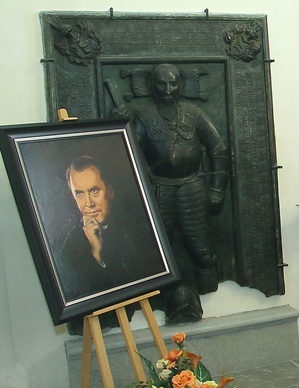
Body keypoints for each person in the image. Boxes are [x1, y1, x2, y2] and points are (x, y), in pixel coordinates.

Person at [129, 63, 229, 323]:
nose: (168, 89)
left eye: (173, 83)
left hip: (191, 187)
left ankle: (208, 294)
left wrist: (217, 188)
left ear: (180, 85)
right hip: (160, 188)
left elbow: (217, 147)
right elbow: (130, 153)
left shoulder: (193, 113)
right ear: (153, 85)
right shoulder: (144, 115)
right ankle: (162, 299)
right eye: (162, 84)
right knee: (158, 253)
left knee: (203, 253)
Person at [58, 155, 165, 302]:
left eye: (94, 191)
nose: (88, 203)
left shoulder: (138, 228)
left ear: (110, 192)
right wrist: (96, 254)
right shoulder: (69, 246)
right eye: (80, 194)